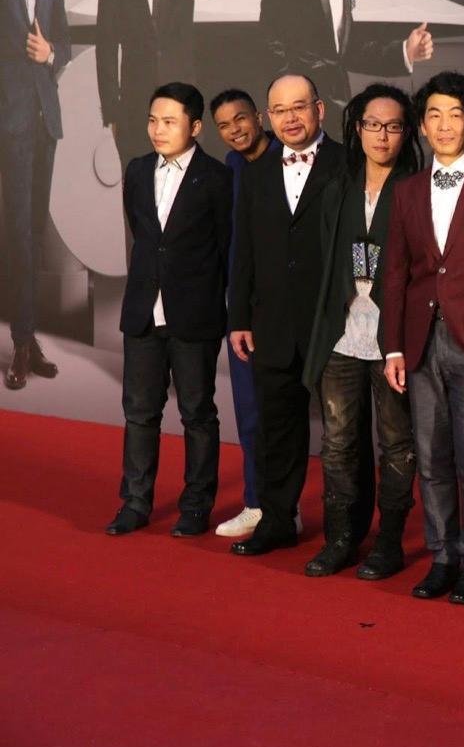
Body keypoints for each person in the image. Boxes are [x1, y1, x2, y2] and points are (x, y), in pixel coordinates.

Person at [380, 72, 464, 605]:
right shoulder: (407, 189)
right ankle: (443, 556)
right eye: (433, 114)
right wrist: (392, 345)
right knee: (430, 458)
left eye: (455, 114)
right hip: (417, 341)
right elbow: (393, 271)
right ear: (422, 123)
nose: (443, 124)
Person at [301, 84, 422, 580]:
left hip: (394, 334)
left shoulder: (417, 185)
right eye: (373, 124)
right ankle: (341, 539)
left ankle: (388, 543)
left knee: (395, 441)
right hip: (342, 330)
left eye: (393, 126)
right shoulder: (339, 184)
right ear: (357, 127)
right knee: (338, 442)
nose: (382, 135)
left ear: (406, 132)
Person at [227, 74, 347, 557]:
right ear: (267, 118)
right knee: (277, 428)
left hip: (335, 321)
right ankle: (277, 520)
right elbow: (245, 252)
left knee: (344, 435)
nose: (290, 118)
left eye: (299, 107)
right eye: (279, 110)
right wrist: (239, 317)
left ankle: (345, 532)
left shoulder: (347, 164)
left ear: (320, 109)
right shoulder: (253, 173)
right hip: (271, 322)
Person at [105, 82, 232, 537]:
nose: (158, 130)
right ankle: (135, 502)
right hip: (142, 310)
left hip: (194, 315)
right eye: (153, 120)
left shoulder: (217, 179)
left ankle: (196, 506)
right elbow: (143, 237)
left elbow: (224, 249)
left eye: (170, 121)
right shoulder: (137, 170)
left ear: (195, 127)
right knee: (139, 411)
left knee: (197, 413)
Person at [96, 0, 244, 167]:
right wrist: (112, 111)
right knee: (142, 185)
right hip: (136, 106)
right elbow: (106, 41)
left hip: (181, 100)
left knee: (182, 183)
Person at [208, 88, 278, 538]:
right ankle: (256, 503)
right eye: (224, 125)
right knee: (250, 412)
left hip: (291, 307)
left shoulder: (289, 158)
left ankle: (288, 507)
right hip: (243, 311)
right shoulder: (230, 168)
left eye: (240, 119)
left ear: (258, 116)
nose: (235, 130)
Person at [259, 0, 434, 127]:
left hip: (338, 106)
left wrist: (405, 52)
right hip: (303, 107)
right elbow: (271, 39)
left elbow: (347, 50)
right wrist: (289, 105)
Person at [2, 0, 70, 391]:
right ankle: (22, 343)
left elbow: (60, 37)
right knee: (19, 233)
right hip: (9, 119)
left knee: (37, 233)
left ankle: (30, 338)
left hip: (45, 117)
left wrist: (52, 54)